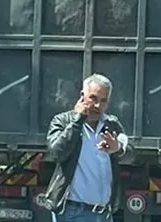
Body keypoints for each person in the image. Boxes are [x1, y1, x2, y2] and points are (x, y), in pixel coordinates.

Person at [37, 74, 129, 221]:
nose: (97, 106)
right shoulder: (63, 121)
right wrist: (77, 121)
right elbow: (57, 153)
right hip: (72, 211)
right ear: (82, 96)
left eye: (103, 101)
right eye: (93, 98)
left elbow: (131, 153)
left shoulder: (111, 124)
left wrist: (118, 148)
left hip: (104, 213)